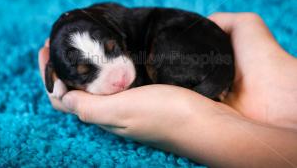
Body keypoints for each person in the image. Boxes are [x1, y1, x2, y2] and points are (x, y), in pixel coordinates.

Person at [38, 12, 297, 167]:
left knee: (169, 47)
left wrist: (190, 124)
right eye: (86, 74)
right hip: (205, 58)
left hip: (197, 52)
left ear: (115, 32)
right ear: (56, 75)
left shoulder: (115, 23)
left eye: (114, 50)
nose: (118, 77)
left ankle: (204, 88)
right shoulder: (103, 27)